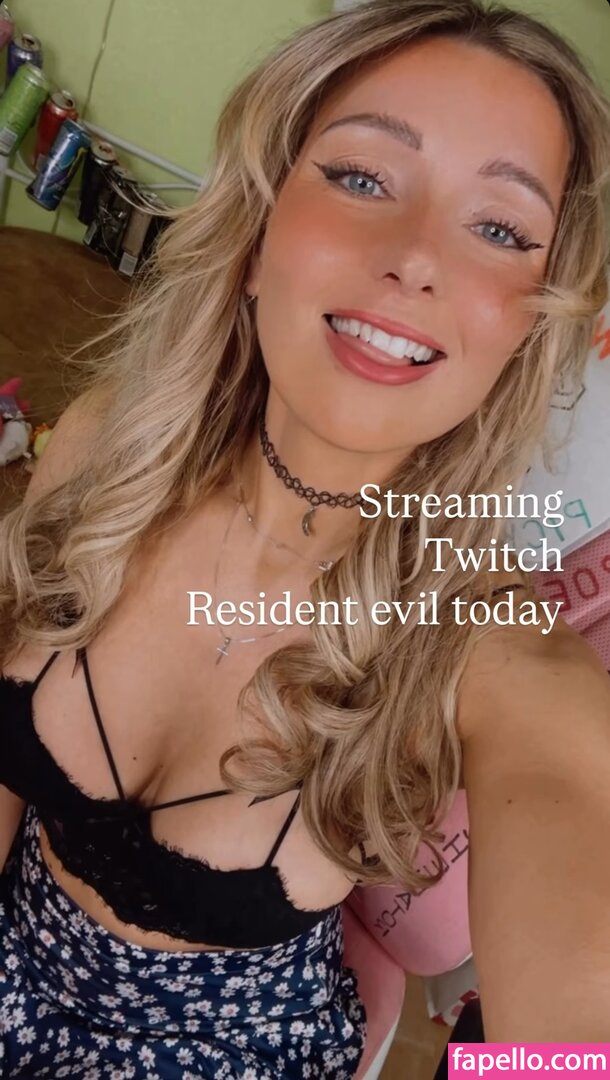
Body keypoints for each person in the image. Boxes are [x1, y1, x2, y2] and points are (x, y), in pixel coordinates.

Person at [1, 0, 610, 1075]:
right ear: (255, 232)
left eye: (500, 230)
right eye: (364, 176)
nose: (414, 258)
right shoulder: (104, 449)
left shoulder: (499, 658)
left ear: (528, 331)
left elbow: (574, 1040)